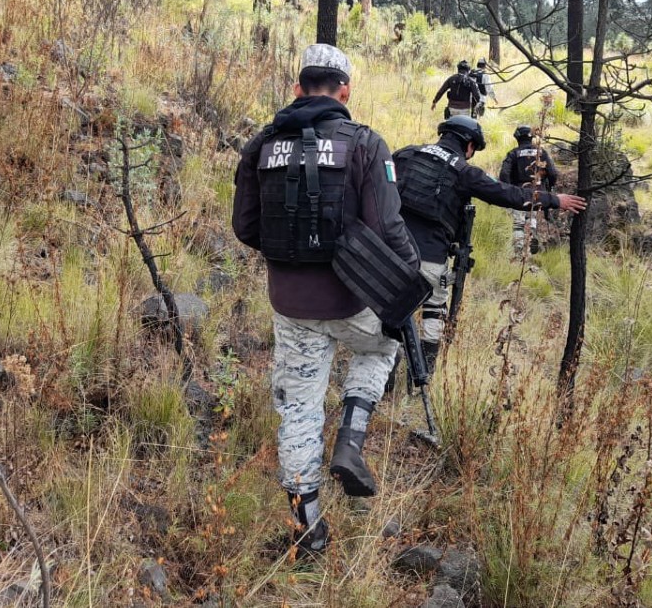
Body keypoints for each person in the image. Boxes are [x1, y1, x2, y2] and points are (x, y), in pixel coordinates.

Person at [232, 44, 417, 554]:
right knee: (382, 347)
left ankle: (307, 529)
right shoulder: (365, 143)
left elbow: (245, 227)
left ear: (297, 89)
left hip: (290, 305)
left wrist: (288, 260)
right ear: (345, 91)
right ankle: (351, 439)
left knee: (299, 409)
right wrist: (406, 288)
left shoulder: (260, 147)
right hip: (352, 302)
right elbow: (388, 227)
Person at [392, 116, 587, 372]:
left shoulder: (406, 154)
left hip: (390, 253)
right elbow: (508, 194)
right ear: (469, 145)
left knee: (391, 313)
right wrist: (554, 200)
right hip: (430, 257)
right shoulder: (464, 171)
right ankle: (422, 378)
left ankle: (385, 379)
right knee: (434, 310)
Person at [499, 125, 559, 258]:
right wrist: (549, 188)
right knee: (531, 218)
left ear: (517, 138)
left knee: (518, 224)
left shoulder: (513, 153)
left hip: (518, 193)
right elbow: (553, 173)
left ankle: (519, 252)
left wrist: (508, 190)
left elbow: (504, 174)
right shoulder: (541, 152)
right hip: (538, 193)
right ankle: (531, 238)